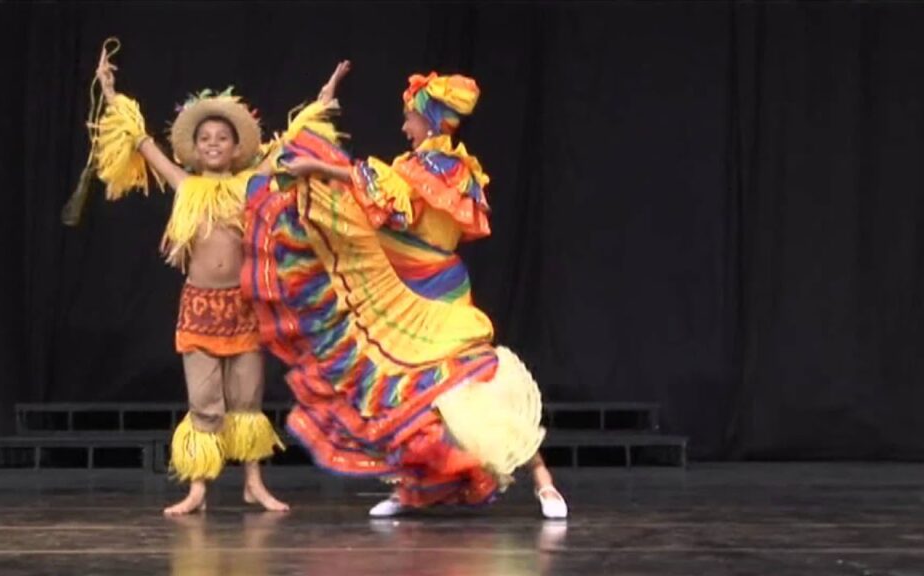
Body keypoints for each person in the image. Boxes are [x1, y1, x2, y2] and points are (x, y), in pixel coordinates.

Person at [243, 64, 569, 519]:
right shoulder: (411, 168)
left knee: (471, 386)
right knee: (407, 394)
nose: (403, 128)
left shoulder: (445, 169)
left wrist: (320, 166)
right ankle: (411, 489)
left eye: (409, 119)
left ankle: (543, 481)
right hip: (402, 289)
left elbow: (375, 188)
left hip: (438, 293)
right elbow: (371, 192)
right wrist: (322, 115)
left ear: (429, 120)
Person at [91, 47, 306, 515]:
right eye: (205, 137)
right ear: (195, 146)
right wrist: (110, 93)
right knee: (205, 401)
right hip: (200, 307)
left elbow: (289, 146)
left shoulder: (249, 183)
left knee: (247, 400)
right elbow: (142, 143)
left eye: (222, 137)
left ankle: (253, 483)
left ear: (236, 147)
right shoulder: (185, 185)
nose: (213, 143)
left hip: (244, 304)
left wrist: (323, 99)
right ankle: (198, 489)